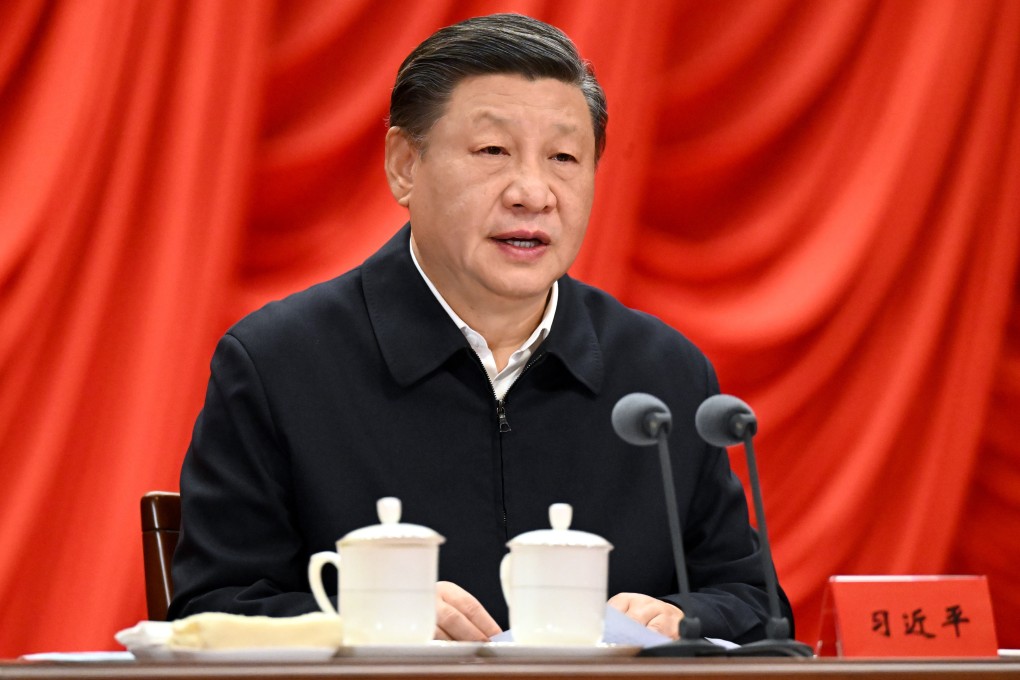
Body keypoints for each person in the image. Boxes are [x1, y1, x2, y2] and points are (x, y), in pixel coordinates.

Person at [169, 13, 794, 644]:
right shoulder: (280, 364)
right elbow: (210, 613)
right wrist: (366, 621)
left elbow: (751, 600)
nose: (533, 192)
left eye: (564, 157)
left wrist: (682, 618)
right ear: (404, 165)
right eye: (493, 151)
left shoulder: (662, 373)